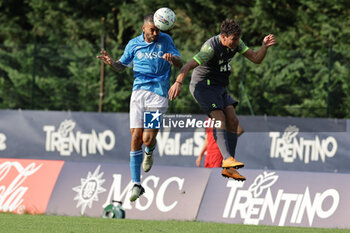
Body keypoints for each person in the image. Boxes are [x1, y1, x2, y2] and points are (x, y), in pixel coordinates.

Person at [169, 19, 275, 181]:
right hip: (203, 87)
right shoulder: (210, 48)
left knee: (233, 121)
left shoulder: (236, 43)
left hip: (219, 87)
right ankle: (227, 161)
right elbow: (188, 65)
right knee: (219, 119)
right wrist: (178, 82)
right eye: (233, 40)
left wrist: (264, 47)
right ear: (223, 37)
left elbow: (255, 58)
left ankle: (229, 166)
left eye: (238, 39)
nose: (237, 42)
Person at [97, 13, 182, 202]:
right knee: (135, 137)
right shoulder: (134, 44)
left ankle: (150, 150)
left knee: (146, 138)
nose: (155, 33)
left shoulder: (166, 40)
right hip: (138, 93)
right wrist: (112, 63)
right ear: (143, 28)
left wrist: (172, 59)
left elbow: (180, 62)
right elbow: (122, 66)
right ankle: (136, 184)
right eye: (152, 29)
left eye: (158, 29)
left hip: (157, 94)